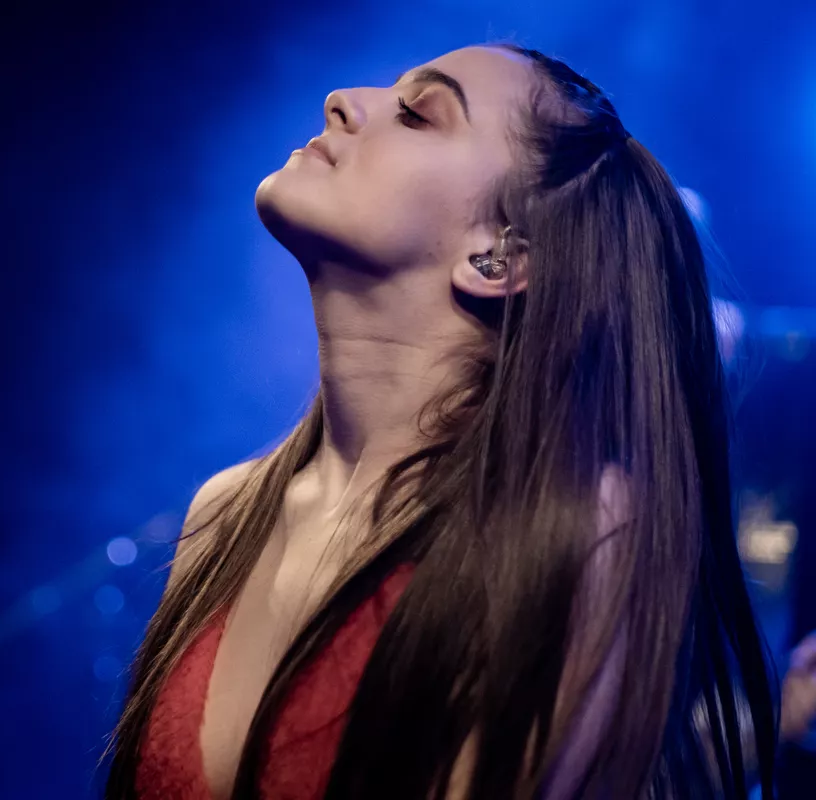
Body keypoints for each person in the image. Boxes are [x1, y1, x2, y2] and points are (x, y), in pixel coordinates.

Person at [103, 44, 779, 798]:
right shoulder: (224, 514)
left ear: (500, 255)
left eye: (418, 114)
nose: (340, 99)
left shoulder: (568, 531)